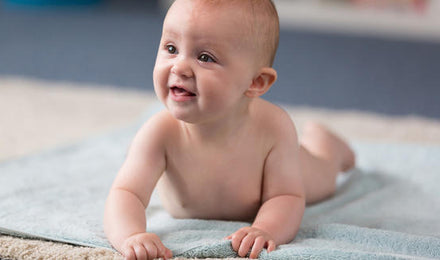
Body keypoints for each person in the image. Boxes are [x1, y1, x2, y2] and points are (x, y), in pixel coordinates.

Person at [103, 0, 356, 259]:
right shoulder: (159, 132)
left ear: (256, 82)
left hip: (300, 173)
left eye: (205, 57)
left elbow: (287, 195)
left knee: (324, 175)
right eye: (171, 48)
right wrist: (131, 235)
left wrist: (265, 229)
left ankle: (328, 144)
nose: (179, 67)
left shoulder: (273, 128)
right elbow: (126, 193)